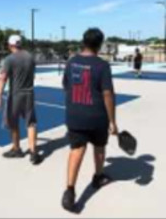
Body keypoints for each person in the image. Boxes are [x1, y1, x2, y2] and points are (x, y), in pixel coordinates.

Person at [61, 28, 118, 211]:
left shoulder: (71, 62)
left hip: (75, 116)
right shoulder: (102, 65)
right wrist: (112, 121)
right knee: (99, 148)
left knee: (76, 150)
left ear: (83, 42)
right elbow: (107, 94)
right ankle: (98, 176)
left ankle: (70, 190)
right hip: (97, 117)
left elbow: (65, 86)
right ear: (99, 45)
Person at [0, 35, 42, 165]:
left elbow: (3, 78)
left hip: (15, 95)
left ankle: (17, 149)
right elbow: (33, 75)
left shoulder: (9, 59)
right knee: (31, 123)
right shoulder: (30, 57)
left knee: (13, 122)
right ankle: (33, 152)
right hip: (29, 93)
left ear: (10, 45)